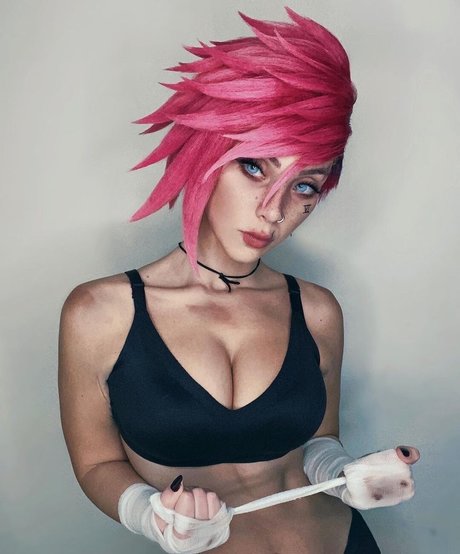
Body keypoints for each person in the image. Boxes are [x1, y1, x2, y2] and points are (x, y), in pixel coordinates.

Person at [58, 8, 420, 553]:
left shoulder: (317, 309)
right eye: (255, 167)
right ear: (205, 152)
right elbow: (96, 462)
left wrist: (348, 476)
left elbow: (318, 441)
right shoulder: (99, 312)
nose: (274, 211)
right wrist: (151, 517)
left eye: (304, 186)